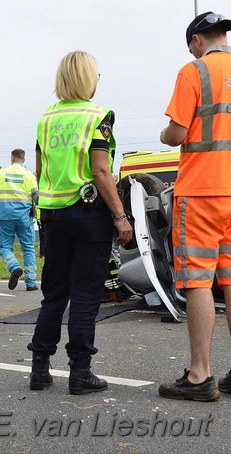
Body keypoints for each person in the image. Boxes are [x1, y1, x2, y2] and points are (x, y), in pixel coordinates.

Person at [28, 51, 133, 395]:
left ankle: (40, 369)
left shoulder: (46, 119)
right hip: (88, 213)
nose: (99, 79)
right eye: (96, 74)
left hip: (53, 215)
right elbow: (101, 170)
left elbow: (40, 172)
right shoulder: (98, 115)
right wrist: (120, 216)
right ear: (87, 78)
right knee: (86, 295)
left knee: (53, 294)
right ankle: (81, 372)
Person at [158, 11, 231, 402]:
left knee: (200, 281)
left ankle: (200, 375)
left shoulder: (194, 71)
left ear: (197, 41)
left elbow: (178, 133)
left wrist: (165, 132)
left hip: (203, 191)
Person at [0, 149, 38, 291]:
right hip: (24, 217)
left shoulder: (1, 172)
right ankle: (31, 283)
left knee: (4, 246)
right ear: (24, 159)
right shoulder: (29, 174)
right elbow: (36, 195)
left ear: (12, 158)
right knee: (28, 248)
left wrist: (1, 202)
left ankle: (14, 267)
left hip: (5, 215)